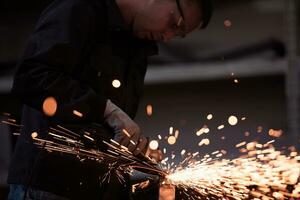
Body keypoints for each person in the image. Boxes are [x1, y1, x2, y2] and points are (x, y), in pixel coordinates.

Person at [7, 0, 213, 199]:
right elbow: (31, 77)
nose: (167, 37)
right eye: (174, 24)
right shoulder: (80, 9)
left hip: (94, 190)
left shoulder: (138, 46)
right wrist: (107, 111)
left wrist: (135, 148)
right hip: (48, 187)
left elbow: (108, 125)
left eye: (178, 34)